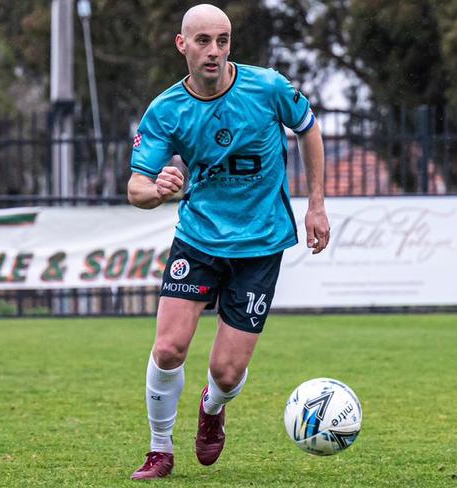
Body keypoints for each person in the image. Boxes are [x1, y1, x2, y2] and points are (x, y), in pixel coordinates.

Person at [127, 3, 330, 480]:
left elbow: (309, 129)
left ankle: (213, 407)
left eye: (222, 40)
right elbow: (136, 187)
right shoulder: (166, 110)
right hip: (197, 241)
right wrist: (156, 192)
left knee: (226, 373)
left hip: (260, 247)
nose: (214, 51)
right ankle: (160, 450)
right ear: (183, 45)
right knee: (169, 348)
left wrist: (316, 203)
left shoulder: (268, 88)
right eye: (203, 41)